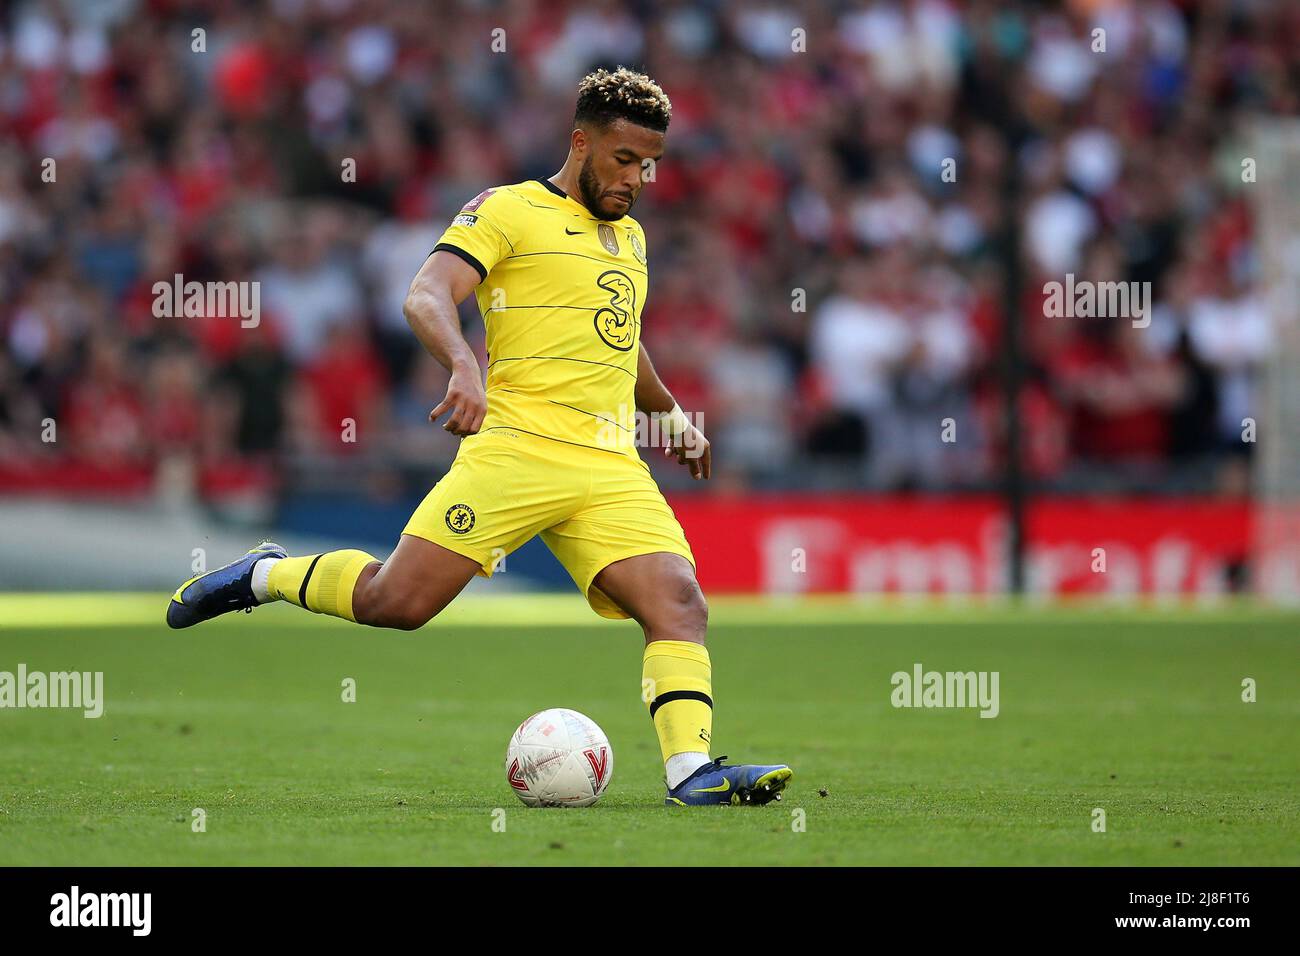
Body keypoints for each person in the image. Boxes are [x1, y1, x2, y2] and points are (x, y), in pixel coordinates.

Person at [166, 67, 792, 807]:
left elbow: (620, 344)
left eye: (649, 165)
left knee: (680, 603)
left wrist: (670, 415)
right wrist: (463, 364)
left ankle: (691, 774)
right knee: (395, 603)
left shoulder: (632, 239)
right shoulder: (508, 210)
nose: (636, 179)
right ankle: (264, 575)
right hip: (518, 448)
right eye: (624, 160)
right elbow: (426, 293)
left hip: (610, 463)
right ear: (581, 142)